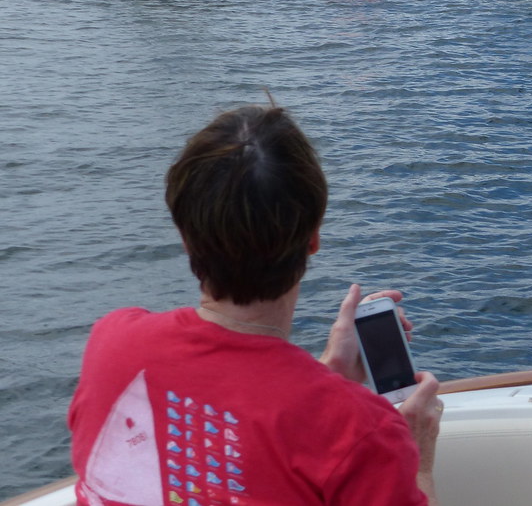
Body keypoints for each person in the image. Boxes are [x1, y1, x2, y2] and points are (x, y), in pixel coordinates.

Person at [68, 103, 443, 505]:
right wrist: (417, 461)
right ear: (313, 239)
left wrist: (327, 376)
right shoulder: (362, 432)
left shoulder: (111, 343)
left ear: (183, 235)